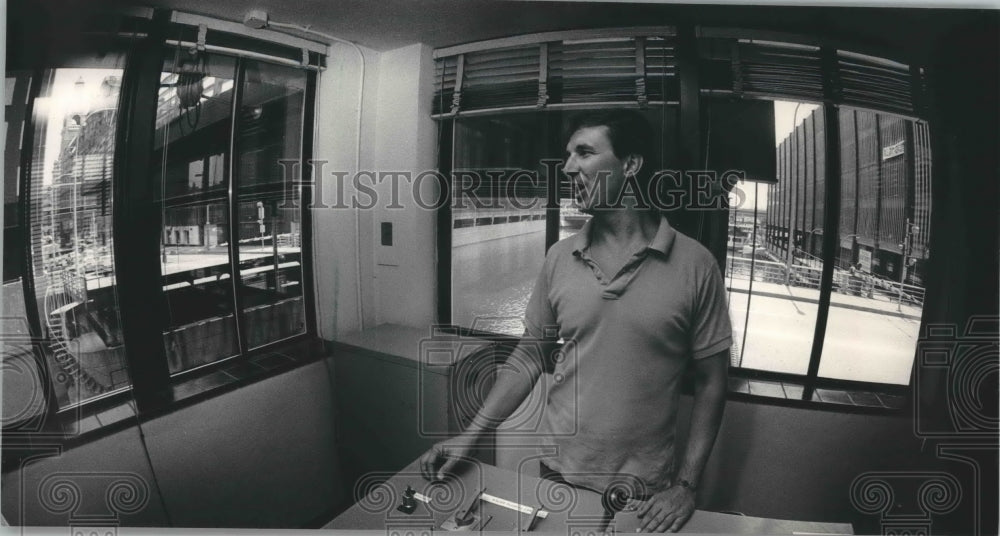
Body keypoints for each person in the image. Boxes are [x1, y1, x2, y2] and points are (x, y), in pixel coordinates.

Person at [420, 110, 731, 533]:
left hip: (643, 489)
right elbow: (528, 359)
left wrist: (687, 485)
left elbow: (713, 381)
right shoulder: (558, 258)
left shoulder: (696, 265)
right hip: (557, 471)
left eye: (584, 152)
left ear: (631, 165)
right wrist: (467, 437)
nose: (567, 167)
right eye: (568, 155)